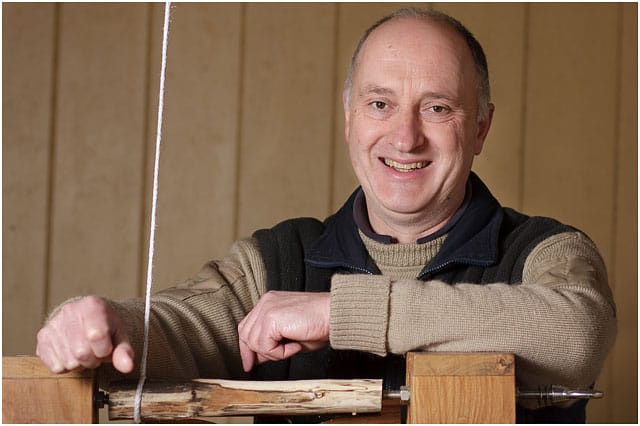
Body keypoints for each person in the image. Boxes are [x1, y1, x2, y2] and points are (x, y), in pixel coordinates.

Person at [36, 7, 616, 423]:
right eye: (380, 104)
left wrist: (342, 312)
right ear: (349, 118)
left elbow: (577, 334)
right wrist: (105, 325)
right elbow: (181, 327)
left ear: (482, 127)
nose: (406, 136)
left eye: (437, 108)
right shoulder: (275, 260)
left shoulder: (546, 252)